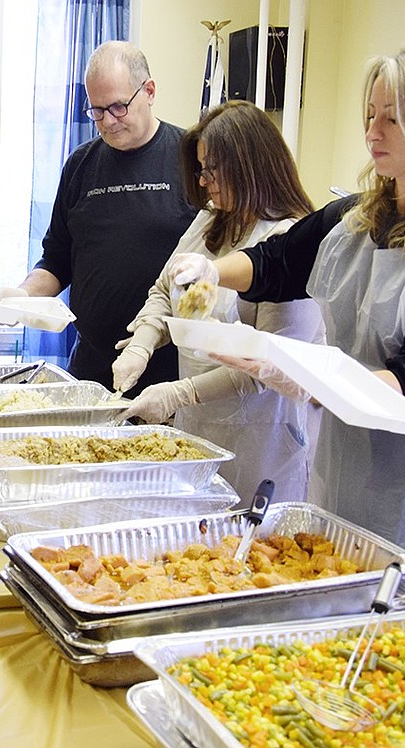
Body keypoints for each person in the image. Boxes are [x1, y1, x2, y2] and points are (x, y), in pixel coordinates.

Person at [172, 36, 405, 606]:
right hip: (348, 464)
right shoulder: (354, 220)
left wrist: (306, 378)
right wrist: (209, 271)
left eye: (393, 119)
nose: (372, 132)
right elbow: (277, 262)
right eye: (369, 116)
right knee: (336, 589)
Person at [113, 101, 324, 504]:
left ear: (249, 165)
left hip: (263, 437)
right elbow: (165, 288)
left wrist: (180, 393)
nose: (205, 181)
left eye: (213, 169)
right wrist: (143, 341)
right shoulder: (212, 218)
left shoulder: (290, 240)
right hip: (201, 426)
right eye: (201, 169)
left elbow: (268, 365)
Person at [0, 40, 197, 395]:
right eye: (97, 111)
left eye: (118, 107)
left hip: (170, 368)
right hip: (92, 365)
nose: (108, 122)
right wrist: (23, 295)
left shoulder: (191, 159)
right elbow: (57, 260)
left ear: (149, 91)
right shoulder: (80, 165)